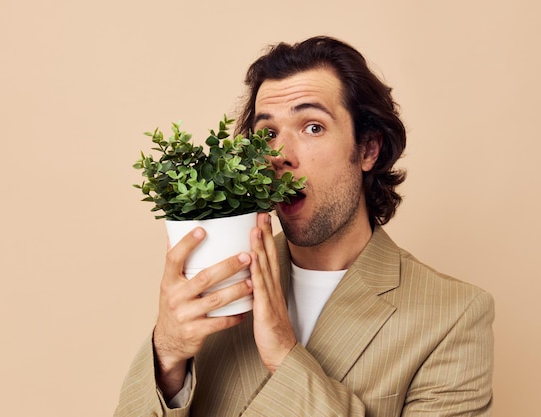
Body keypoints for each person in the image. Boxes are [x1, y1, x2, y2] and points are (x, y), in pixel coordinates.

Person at [114, 36, 494, 416]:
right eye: (267, 134)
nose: (281, 156)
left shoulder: (453, 316)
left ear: (367, 149)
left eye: (312, 127)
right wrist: (167, 353)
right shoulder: (218, 280)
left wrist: (285, 355)